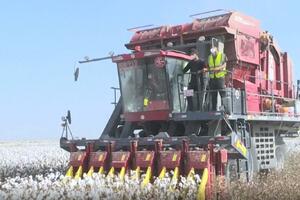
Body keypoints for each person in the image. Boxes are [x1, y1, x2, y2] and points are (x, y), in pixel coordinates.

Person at [207, 47, 227, 111]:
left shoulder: (222, 55)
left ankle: (224, 109)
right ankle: (214, 109)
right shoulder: (209, 57)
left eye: (214, 52)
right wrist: (208, 69)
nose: (213, 54)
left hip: (220, 78)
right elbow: (208, 66)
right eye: (212, 53)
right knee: (213, 95)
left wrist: (218, 69)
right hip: (213, 78)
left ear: (217, 51)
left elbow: (224, 65)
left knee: (222, 94)